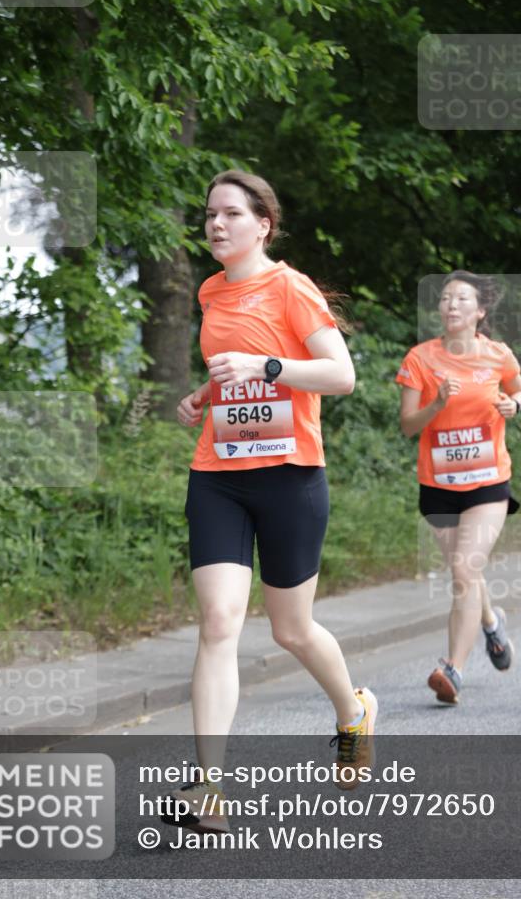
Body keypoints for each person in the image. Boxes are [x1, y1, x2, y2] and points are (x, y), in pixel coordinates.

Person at [162, 170, 377, 832]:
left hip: (289, 477)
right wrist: (205, 395)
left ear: (263, 224)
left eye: (230, 214)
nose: (216, 225)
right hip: (219, 473)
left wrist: (266, 369)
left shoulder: (289, 288)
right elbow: (230, 366)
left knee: (290, 629)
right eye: (208, 216)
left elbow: (341, 375)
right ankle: (208, 790)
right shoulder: (209, 291)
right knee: (219, 623)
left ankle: (353, 712)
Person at [396, 271, 521, 705]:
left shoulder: (498, 355)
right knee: (466, 570)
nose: (450, 305)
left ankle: (452, 669)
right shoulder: (420, 358)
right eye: (446, 298)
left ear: (480, 311)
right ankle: (491, 623)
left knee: (463, 571)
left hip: (488, 482)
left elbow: (519, 390)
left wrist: (514, 404)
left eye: (461, 299)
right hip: (438, 485)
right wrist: (438, 403)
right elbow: (406, 426)